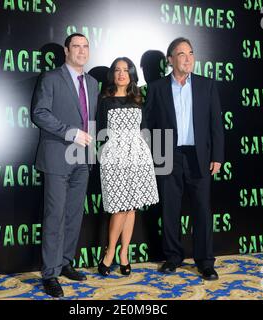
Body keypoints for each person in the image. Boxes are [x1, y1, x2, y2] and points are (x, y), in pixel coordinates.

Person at [144, 37, 224, 281]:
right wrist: (155, 154)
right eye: (181, 54)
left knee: (202, 209)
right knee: (170, 209)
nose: (188, 58)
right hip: (170, 155)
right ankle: (173, 257)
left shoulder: (206, 85)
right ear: (170, 60)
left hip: (199, 155)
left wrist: (218, 156)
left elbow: (216, 124)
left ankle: (205, 262)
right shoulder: (157, 88)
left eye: (190, 53)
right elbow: (147, 123)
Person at [31, 33, 98, 297]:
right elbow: (39, 113)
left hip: (82, 159)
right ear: (66, 50)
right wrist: (70, 132)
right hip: (58, 156)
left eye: (85, 46)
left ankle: (65, 262)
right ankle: (50, 274)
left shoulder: (92, 83)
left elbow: (89, 119)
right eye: (76, 46)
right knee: (55, 216)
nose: (81, 51)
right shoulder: (50, 79)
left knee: (73, 215)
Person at [96, 57, 159, 276]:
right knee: (119, 207)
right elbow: (100, 132)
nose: (122, 74)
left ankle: (124, 254)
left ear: (132, 74)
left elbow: (145, 129)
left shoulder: (139, 98)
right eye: (117, 70)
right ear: (112, 74)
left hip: (137, 155)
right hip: (114, 157)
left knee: (131, 207)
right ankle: (110, 252)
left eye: (126, 70)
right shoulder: (104, 100)